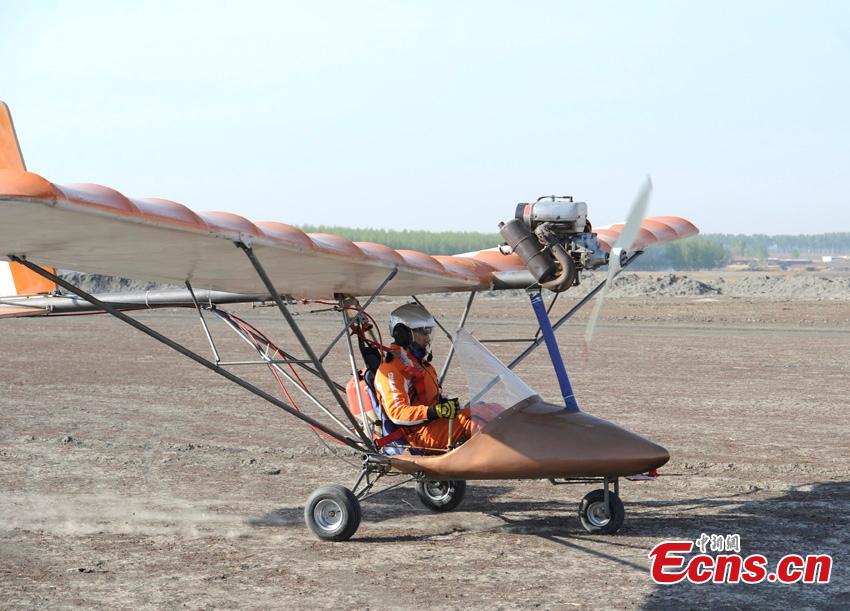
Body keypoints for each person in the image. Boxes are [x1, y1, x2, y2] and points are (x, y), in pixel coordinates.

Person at [373, 303, 473, 450]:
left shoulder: (421, 365)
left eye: (429, 332)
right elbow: (397, 413)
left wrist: (445, 405)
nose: (427, 338)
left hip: (435, 425)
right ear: (403, 334)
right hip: (417, 435)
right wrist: (433, 411)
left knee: (487, 410)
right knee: (476, 421)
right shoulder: (391, 370)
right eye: (422, 332)